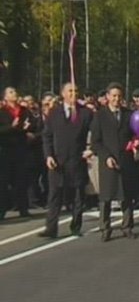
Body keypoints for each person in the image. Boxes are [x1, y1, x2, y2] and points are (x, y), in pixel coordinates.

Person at [38, 83, 93, 238]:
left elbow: (96, 132)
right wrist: (48, 155)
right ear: (63, 93)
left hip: (77, 159)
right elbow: (47, 136)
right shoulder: (54, 113)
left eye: (76, 91)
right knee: (54, 196)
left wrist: (92, 149)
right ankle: (51, 227)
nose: (73, 94)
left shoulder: (86, 113)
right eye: (70, 91)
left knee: (77, 196)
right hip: (58, 161)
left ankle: (76, 226)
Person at [90, 82, 139, 242]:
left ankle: (127, 226)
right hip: (108, 161)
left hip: (126, 159)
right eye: (113, 96)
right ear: (107, 97)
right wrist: (106, 157)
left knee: (127, 195)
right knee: (106, 196)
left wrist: (136, 142)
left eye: (119, 96)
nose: (116, 99)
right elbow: (96, 142)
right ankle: (105, 227)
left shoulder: (129, 114)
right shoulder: (100, 115)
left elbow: (137, 134)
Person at [0, 87, 34, 219]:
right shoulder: (2, 112)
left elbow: (32, 124)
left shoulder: (24, 110)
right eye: (11, 92)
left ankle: (23, 208)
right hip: (6, 150)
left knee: (21, 180)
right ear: (5, 97)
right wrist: (11, 127)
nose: (14, 93)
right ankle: (2, 210)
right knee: (4, 181)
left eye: (15, 91)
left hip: (21, 148)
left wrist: (27, 128)